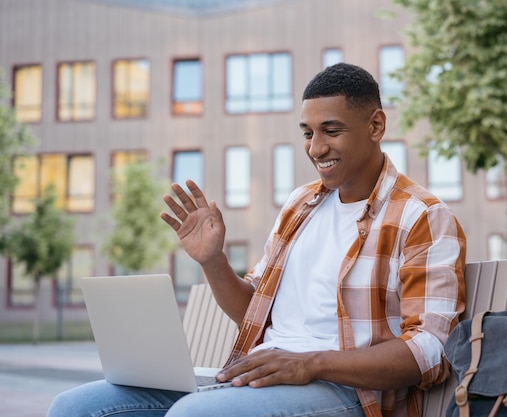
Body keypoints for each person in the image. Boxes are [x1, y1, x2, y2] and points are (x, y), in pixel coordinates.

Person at [48, 63, 466, 417]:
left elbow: (431, 350)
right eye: (307, 133)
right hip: (265, 374)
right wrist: (213, 261)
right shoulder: (300, 206)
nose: (316, 148)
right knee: (75, 407)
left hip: (347, 392)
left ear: (376, 125)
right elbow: (255, 312)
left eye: (331, 131)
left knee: (193, 415)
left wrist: (310, 363)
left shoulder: (421, 217)